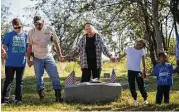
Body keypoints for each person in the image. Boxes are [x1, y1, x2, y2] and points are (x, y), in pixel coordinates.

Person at [27, 16, 64, 102]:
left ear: (43, 22)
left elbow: (56, 43)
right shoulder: (31, 32)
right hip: (37, 58)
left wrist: (60, 55)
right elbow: (29, 46)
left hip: (49, 57)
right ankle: (41, 95)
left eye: (39, 24)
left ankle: (58, 96)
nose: (38, 26)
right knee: (39, 77)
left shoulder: (50, 29)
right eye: (36, 24)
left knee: (55, 75)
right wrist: (28, 59)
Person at [1, 18, 27, 105]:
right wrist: (3, 52)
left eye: (19, 27)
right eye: (15, 28)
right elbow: (3, 46)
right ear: (13, 27)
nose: (17, 29)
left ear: (21, 26)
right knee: (8, 81)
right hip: (10, 63)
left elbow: (29, 48)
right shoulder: (9, 35)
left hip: (21, 63)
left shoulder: (26, 36)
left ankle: (18, 99)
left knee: (20, 81)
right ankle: (5, 100)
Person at [119, 40, 148, 105]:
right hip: (130, 71)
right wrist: (118, 58)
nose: (139, 46)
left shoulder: (142, 51)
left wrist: (144, 71)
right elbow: (123, 55)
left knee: (141, 85)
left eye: (141, 46)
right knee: (132, 85)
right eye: (139, 44)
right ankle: (135, 99)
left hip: (138, 71)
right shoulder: (129, 49)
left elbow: (143, 61)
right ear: (136, 42)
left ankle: (145, 99)